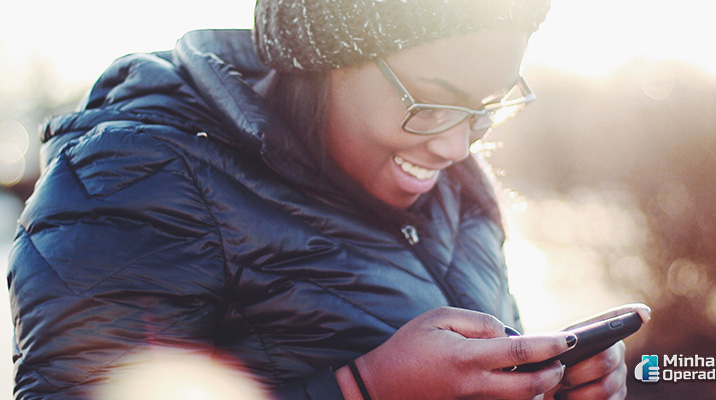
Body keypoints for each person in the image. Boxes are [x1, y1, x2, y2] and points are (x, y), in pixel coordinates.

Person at [8, 0, 649, 399]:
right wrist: (361, 391)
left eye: (484, 107)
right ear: (325, 58)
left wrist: (547, 384)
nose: (458, 144)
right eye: (431, 98)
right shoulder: (136, 175)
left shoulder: (457, 188)